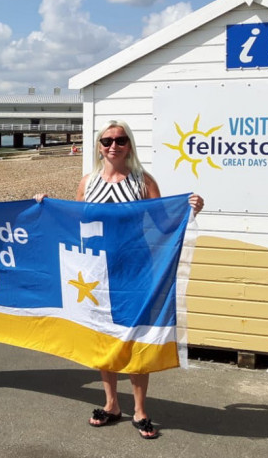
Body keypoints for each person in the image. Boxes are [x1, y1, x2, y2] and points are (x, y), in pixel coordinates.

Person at [35, 120, 203, 439]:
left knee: (134, 336)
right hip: (97, 272)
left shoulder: (142, 181)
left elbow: (164, 222)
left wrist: (190, 209)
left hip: (135, 271)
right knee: (104, 336)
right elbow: (77, 222)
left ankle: (140, 410)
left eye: (120, 140)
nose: (114, 146)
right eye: (107, 141)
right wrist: (47, 206)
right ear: (99, 146)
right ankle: (111, 403)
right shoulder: (88, 182)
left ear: (129, 145)